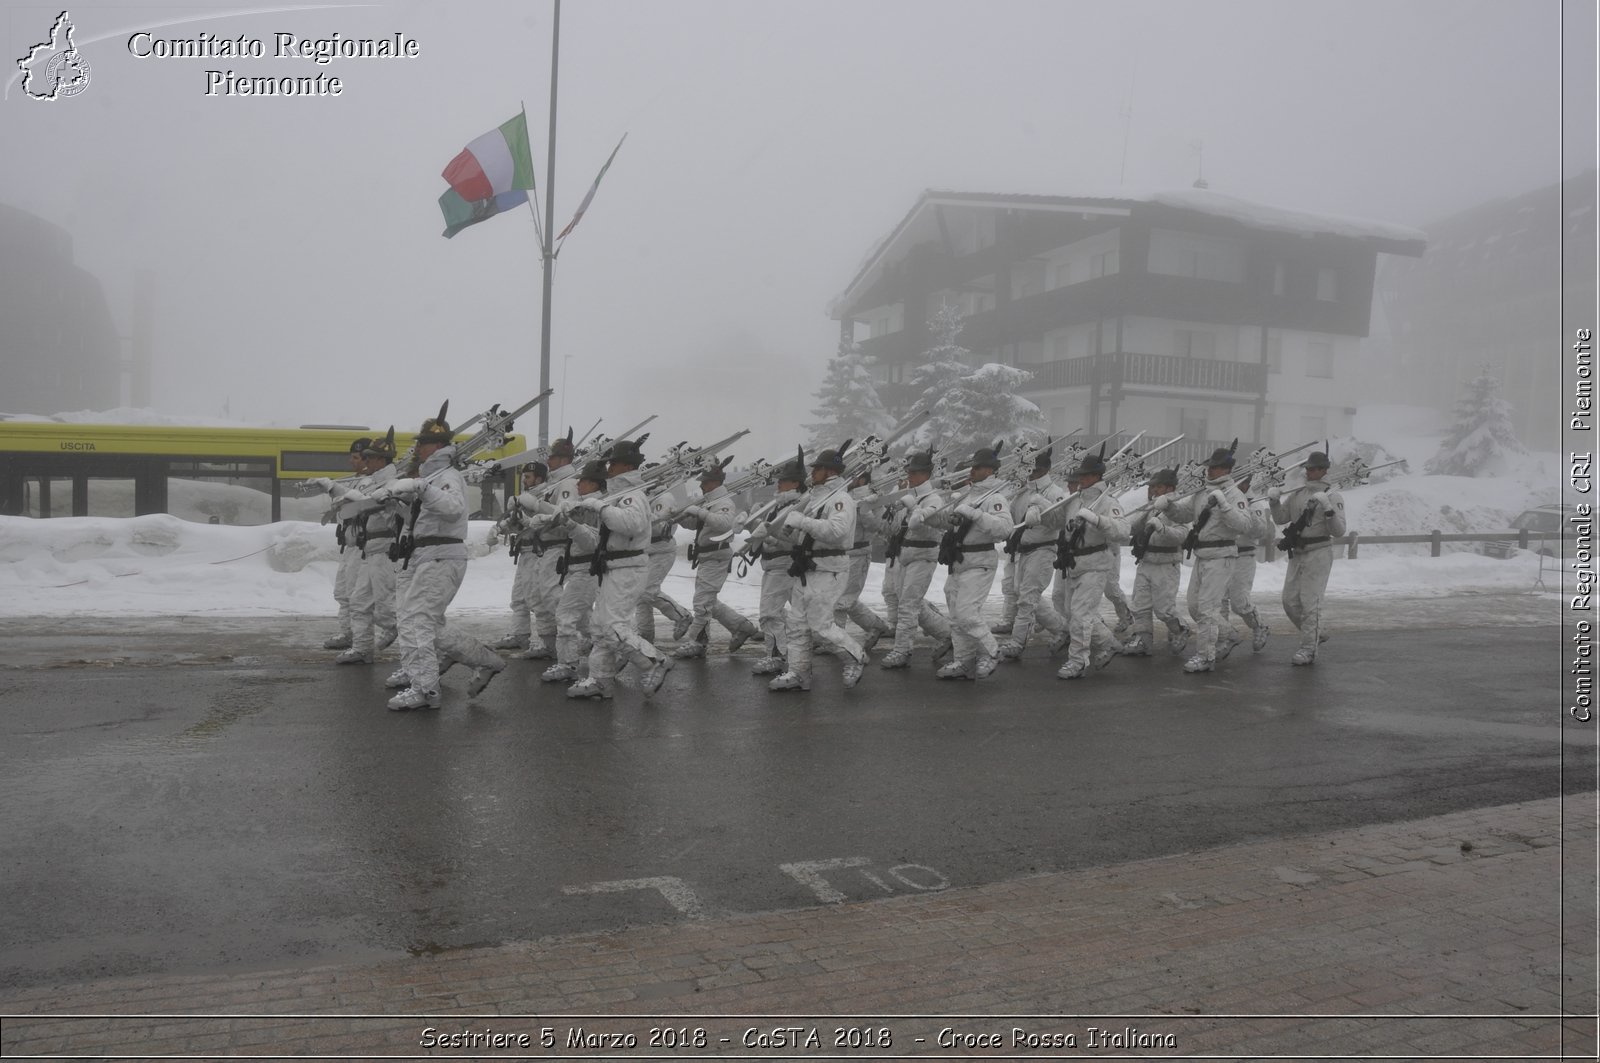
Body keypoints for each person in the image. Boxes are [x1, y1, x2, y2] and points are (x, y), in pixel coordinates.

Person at [373, 412, 505, 710]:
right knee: (422, 624)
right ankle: (485, 661)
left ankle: (425, 690)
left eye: (423, 443)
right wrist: (400, 506)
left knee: (417, 621)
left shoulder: (446, 477)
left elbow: (453, 508)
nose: (418, 448)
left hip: (441, 556)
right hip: (423, 555)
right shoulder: (431, 476)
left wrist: (421, 488)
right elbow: (426, 519)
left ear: (436, 446)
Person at [564, 441, 676, 699]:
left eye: (614, 464)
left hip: (628, 567)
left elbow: (631, 524)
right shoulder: (618, 496)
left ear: (627, 466)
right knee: (600, 627)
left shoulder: (632, 495)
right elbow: (602, 533)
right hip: (614, 566)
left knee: (614, 627)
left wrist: (600, 507)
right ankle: (601, 679)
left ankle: (654, 660)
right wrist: (574, 520)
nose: (610, 469)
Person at [769, 448, 868, 692]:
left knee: (821, 626)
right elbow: (805, 537)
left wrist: (802, 521)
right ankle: (799, 672)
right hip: (808, 567)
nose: (812, 473)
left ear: (829, 471)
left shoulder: (841, 499)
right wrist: (777, 537)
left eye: (817, 469)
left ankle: (855, 656)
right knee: (797, 624)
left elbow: (837, 532)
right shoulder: (814, 499)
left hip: (830, 568)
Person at [925, 445, 1012, 680]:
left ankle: (992, 652)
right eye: (972, 466)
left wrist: (975, 514)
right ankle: (962, 661)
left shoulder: (995, 497)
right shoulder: (968, 494)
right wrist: (931, 516)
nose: (971, 470)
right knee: (955, 616)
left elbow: (1004, 529)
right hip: (959, 560)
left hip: (980, 560)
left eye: (977, 467)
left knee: (966, 614)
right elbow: (953, 525)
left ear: (990, 470)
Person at [1172, 447, 1254, 674]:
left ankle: (1206, 656)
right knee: (1194, 605)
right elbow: (1183, 514)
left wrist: (1225, 506)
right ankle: (1229, 634)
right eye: (1209, 466)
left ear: (1227, 469)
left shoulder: (1234, 494)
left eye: (1215, 467)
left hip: (1221, 555)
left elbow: (1244, 525)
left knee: (1208, 607)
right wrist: (1168, 506)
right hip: (1202, 555)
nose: (1210, 470)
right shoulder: (1202, 492)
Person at [1054, 450, 1131, 679]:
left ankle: (1077, 661)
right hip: (1074, 563)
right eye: (1080, 475)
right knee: (1071, 612)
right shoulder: (1074, 500)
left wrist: (1098, 520)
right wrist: (1040, 509)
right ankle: (1109, 643)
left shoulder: (1108, 502)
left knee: (1080, 615)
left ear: (1097, 476)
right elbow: (1058, 522)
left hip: (1096, 563)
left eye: (1086, 476)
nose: (1081, 479)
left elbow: (1123, 531)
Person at [673, 458, 760, 658]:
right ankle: (742, 627)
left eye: (705, 482)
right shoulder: (709, 502)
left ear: (714, 482)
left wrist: (700, 512)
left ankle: (698, 642)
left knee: (702, 602)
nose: (702, 485)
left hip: (717, 555)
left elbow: (723, 524)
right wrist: (685, 516)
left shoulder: (724, 502)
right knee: (709, 602)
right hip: (707, 556)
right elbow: (699, 525)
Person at [1269, 450, 1347, 665]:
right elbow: (1281, 518)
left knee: (1310, 602)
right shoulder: (1298, 494)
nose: (1309, 472)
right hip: (1298, 551)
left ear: (1324, 470)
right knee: (1289, 601)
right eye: (1308, 469)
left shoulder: (1333, 495)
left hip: (1319, 551)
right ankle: (1315, 633)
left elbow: (1339, 531)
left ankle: (1308, 648)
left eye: (1314, 469)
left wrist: (1328, 509)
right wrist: (1274, 501)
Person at [879, 451, 953, 669]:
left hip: (924, 554)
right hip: (905, 554)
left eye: (914, 472)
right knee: (910, 602)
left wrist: (911, 506)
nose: (909, 475)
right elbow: (895, 528)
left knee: (908, 605)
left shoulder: (934, 498)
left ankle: (902, 650)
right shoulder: (909, 495)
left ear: (926, 474)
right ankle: (947, 634)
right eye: (909, 471)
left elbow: (921, 523)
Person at [998, 445, 1069, 660]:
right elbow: (1010, 519)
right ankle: (1062, 629)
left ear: (1046, 469)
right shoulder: (1024, 492)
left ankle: (1018, 642)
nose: (1032, 474)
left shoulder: (1056, 493)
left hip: (1044, 549)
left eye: (1036, 470)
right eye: (1030, 469)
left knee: (1028, 598)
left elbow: (1059, 522)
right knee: (1023, 595)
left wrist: (1042, 507)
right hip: (1023, 551)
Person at [1123, 468, 1194, 657]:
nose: (1154, 490)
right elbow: (1134, 527)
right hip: (1146, 560)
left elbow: (1182, 535)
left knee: (1164, 608)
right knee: (1140, 604)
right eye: (1152, 486)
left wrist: (1162, 528)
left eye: (1159, 486)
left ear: (1170, 487)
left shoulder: (1178, 506)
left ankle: (1180, 629)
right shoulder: (1153, 505)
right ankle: (1143, 640)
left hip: (1166, 562)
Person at [744, 459, 804, 675]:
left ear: (795, 483)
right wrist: (751, 522)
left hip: (783, 563)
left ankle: (777, 656)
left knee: (769, 613)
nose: (778, 485)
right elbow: (767, 532)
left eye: (784, 481)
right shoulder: (777, 506)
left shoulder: (797, 507)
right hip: (771, 564)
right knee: (777, 612)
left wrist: (772, 538)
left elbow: (794, 538)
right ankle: (786, 650)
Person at [491, 463, 551, 656]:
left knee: (538, 599)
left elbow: (550, 523)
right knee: (519, 598)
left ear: (539, 479)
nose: (524, 481)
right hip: (525, 551)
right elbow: (516, 523)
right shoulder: (524, 498)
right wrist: (500, 527)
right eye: (524, 477)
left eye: (528, 477)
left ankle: (547, 641)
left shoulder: (545, 497)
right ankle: (520, 634)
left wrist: (529, 511)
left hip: (539, 552)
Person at [833, 471, 892, 656]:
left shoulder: (872, 498)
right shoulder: (844, 496)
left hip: (859, 553)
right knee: (846, 600)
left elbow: (880, 526)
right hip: (843, 553)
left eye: (853, 477)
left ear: (863, 479)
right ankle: (877, 626)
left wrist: (864, 510)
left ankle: (837, 641)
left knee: (841, 601)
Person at [322, 436, 371, 650]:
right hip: (350, 545)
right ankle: (347, 632)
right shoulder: (355, 480)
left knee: (355, 596)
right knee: (342, 593)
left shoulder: (372, 483)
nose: (352, 461)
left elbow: (361, 505)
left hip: (363, 547)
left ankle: (361, 641)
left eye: (356, 457)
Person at [1217, 475, 1273, 657]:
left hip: (1244, 555)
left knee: (1239, 602)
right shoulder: (1227, 498)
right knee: (1219, 601)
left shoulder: (1255, 503)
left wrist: (1248, 511)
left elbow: (1261, 531)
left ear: (1247, 483)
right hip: (1224, 553)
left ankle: (1259, 625)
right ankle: (1223, 637)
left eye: (1240, 481)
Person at [636, 481, 692, 645]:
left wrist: (639, 520)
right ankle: (645, 635)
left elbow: (661, 526)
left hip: (661, 548)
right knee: (640, 595)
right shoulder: (647, 498)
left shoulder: (663, 498)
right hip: (647, 548)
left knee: (647, 590)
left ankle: (682, 616)